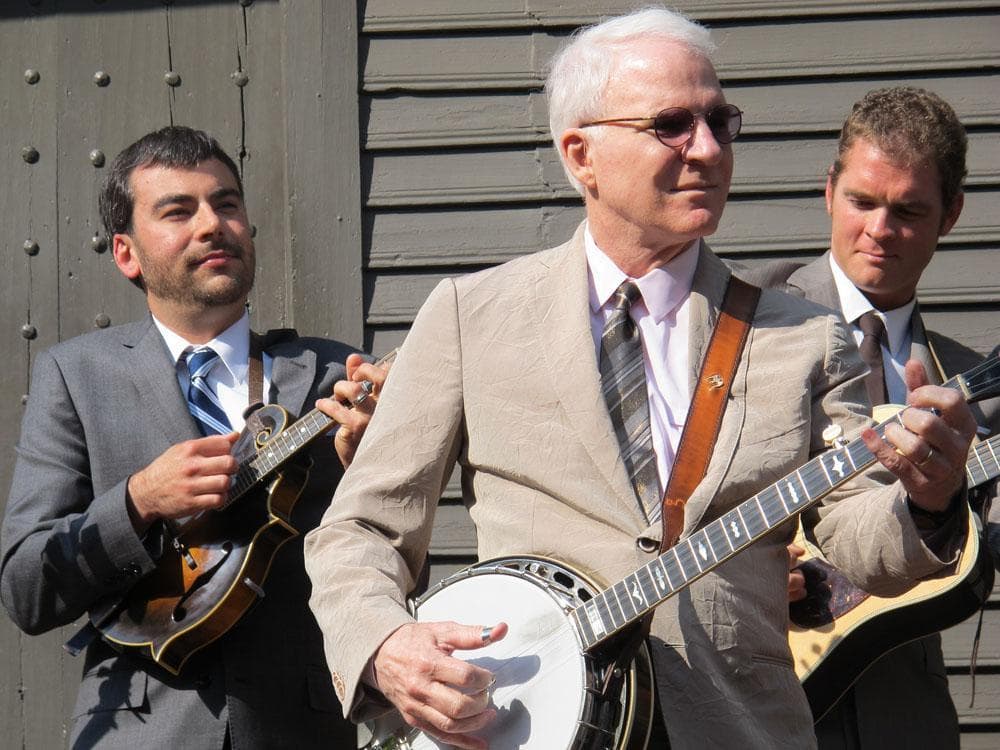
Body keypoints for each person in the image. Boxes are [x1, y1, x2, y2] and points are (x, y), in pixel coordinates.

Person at [304, 9, 978, 749]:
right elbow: (361, 529)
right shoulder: (471, 315)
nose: (710, 148)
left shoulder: (805, 335)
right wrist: (386, 646)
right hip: (527, 725)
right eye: (672, 124)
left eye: (720, 121)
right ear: (581, 155)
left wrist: (928, 500)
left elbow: (860, 543)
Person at [0, 126, 386, 748]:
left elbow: (393, 562)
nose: (212, 224)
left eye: (226, 204)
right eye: (178, 211)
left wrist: (363, 473)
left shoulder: (336, 376)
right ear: (126, 253)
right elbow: (26, 587)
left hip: (299, 730)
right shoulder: (76, 376)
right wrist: (138, 500)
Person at [740, 86, 1000, 750]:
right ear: (830, 191)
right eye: (863, 202)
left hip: (903, 721)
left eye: (909, 210)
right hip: (748, 703)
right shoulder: (742, 315)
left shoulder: (973, 391)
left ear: (951, 215)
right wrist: (743, 569)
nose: (879, 231)